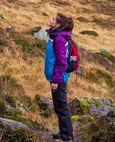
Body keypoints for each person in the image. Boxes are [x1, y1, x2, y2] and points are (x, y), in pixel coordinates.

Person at [44, 13, 75, 141]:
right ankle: (64, 132)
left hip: (59, 79)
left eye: (52, 19)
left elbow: (61, 62)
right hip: (56, 77)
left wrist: (55, 80)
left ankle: (67, 136)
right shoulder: (56, 36)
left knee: (62, 107)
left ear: (58, 25)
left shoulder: (59, 39)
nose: (49, 19)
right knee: (59, 106)